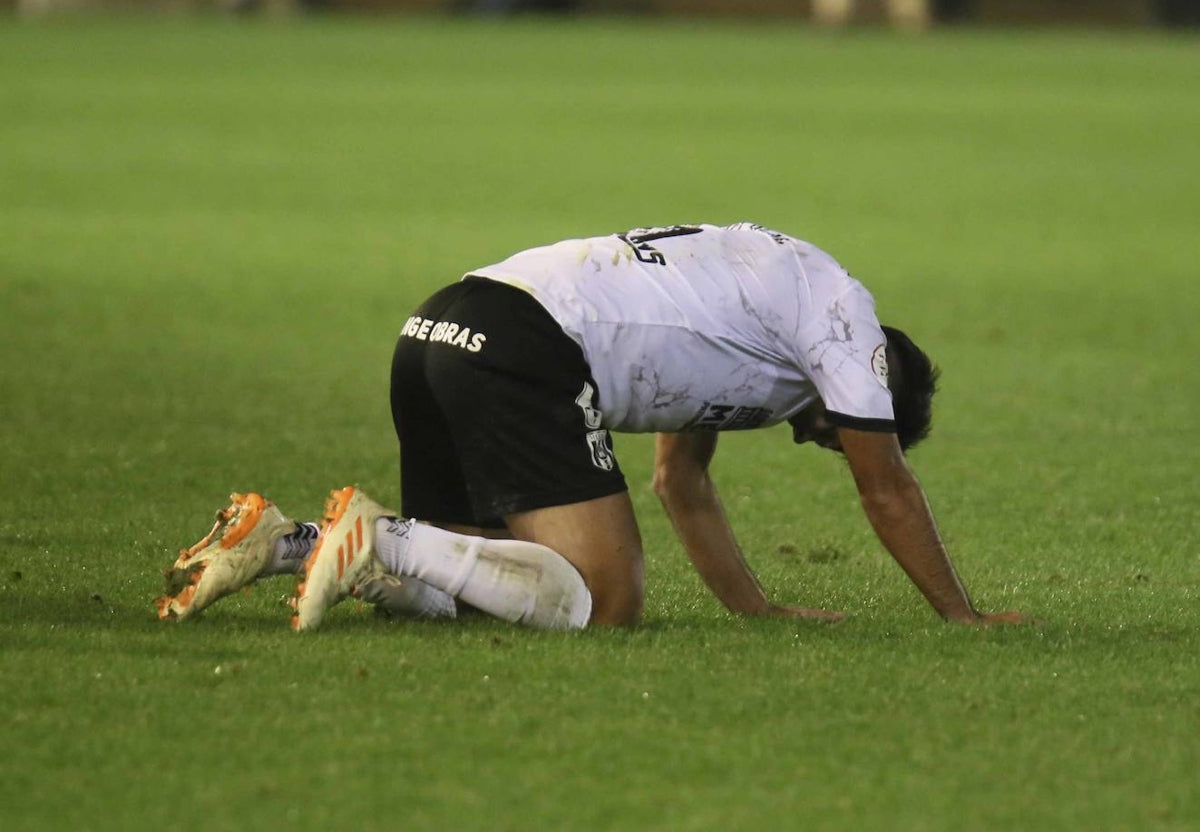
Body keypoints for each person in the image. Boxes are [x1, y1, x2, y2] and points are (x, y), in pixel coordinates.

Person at [156, 223, 1027, 630]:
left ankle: (288, 542)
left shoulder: (759, 322)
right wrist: (963, 617)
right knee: (603, 601)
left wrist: (758, 611)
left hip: (438, 326)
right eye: (842, 432)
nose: (823, 441)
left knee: (472, 594)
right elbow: (888, 488)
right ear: (875, 386)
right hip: (520, 344)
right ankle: (377, 538)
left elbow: (680, 483)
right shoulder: (846, 325)